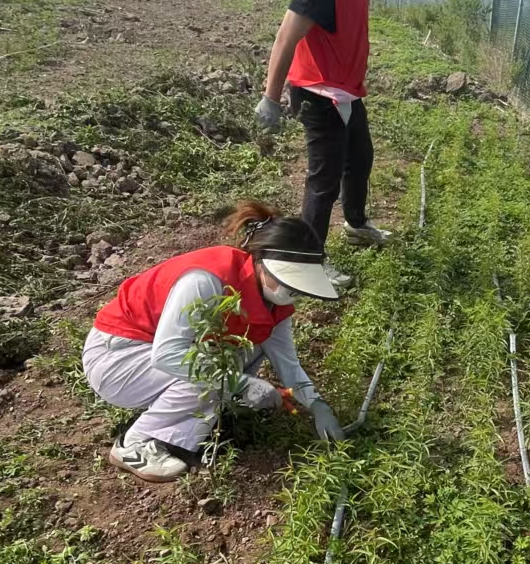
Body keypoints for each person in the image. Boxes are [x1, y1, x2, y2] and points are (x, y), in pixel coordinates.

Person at [82, 202, 346, 484]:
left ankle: (183, 423)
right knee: (213, 374)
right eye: (285, 281)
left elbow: (288, 363)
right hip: (118, 357)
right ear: (260, 262)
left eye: (298, 288)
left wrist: (318, 405)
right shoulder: (207, 279)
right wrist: (241, 384)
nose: (290, 293)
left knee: (245, 351)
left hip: (154, 355)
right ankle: (134, 443)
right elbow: (169, 354)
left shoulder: (276, 305)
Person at [255, 0, 397, 254]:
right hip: (319, 92)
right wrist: (270, 97)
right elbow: (287, 36)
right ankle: (308, 257)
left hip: (346, 87)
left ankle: (356, 224)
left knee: (360, 158)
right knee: (324, 179)